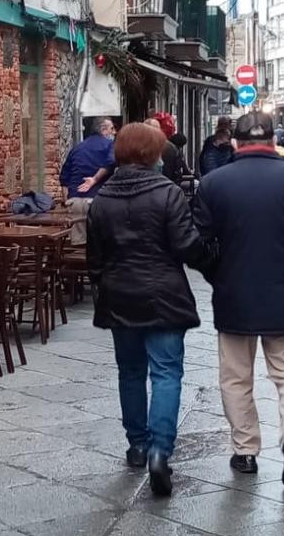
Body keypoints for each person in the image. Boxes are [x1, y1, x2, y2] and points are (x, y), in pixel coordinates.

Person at [194, 111, 284, 487]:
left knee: (236, 377)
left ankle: (245, 451)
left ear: (236, 142)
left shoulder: (213, 183)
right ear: (273, 140)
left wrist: (218, 273)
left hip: (234, 294)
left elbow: (198, 242)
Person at [87, 122, 211, 497]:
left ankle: (137, 444)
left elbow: (94, 259)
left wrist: (102, 288)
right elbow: (187, 246)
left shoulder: (103, 197)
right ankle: (160, 451)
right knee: (167, 372)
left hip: (120, 294)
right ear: (151, 153)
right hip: (164, 294)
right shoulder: (168, 193)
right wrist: (213, 255)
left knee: (129, 371)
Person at [60, 117, 116, 245]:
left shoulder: (77, 148)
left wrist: (67, 200)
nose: (114, 132)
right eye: (111, 129)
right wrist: (95, 179)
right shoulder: (109, 146)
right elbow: (111, 162)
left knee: (79, 243)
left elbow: (64, 177)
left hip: (74, 202)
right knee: (99, 244)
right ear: (103, 129)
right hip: (98, 200)